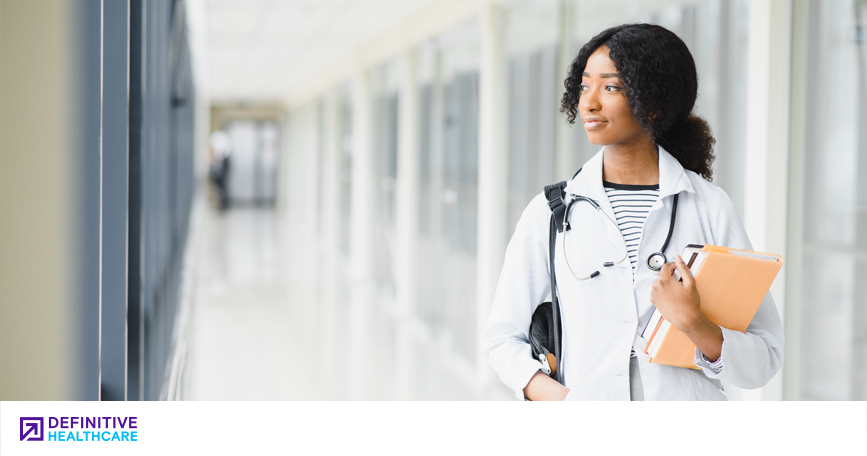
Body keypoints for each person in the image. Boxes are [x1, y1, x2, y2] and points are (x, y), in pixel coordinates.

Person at [482, 24, 784, 401]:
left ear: (653, 101)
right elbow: (501, 338)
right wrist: (566, 404)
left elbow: (764, 360)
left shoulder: (708, 205)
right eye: (584, 86)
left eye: (610, 87)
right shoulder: (551, 212)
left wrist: (695, 323)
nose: (589, 102)